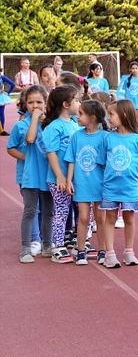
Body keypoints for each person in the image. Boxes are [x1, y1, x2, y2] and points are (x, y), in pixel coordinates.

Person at [100, 100, 138, 268]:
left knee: (129, 218)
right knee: (110, 218)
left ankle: (129, 251)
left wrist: (132, 176)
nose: (109, 118)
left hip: (129, 187)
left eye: (112, 115)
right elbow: (102, 161)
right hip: (110, 187)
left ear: (123, 115)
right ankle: (109, 253)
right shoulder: (108, 138)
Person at [7, 85, 54, 263]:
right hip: (30, 177)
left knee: (48, 211)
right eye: (31, 102)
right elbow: (27, 140)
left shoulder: (50, 124)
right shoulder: (21, 125)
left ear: (46, 103)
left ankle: (47, 244)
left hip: (48, 176)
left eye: (39, 102)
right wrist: (26, 157)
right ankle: (26, 247)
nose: (35, 105)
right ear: (25, 104)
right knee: (30, 211)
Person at [64, 100, 108, 265]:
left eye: (81, 113)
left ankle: (102, 250)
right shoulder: (77, 136)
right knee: (82, 218)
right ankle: (81, 250)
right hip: (81, 183)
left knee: (100, 218)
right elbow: (71, 160)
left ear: (93, 117)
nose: (78, 116)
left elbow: (107, 162)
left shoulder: (105, 137)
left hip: (99, 184)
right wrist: (69, 181)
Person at [42, 85, 81, 264]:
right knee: (62, 211)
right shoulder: (54, 127)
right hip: (59, 179)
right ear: (66, 104)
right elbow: (51, 152)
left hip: (75, 178)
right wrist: (60, 176)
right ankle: (57, 246)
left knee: (75, 210)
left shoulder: (74, 125)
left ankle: (71, 241)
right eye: (77, 100)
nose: (79, 103)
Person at [0, 67, 16, 135]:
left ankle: (2, 130)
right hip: (1, 96)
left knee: (1, 113)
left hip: (1, 96)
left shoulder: (2, 77)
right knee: (1, 113)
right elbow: (13, 84)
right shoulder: (2, 77)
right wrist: (8, 92)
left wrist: (7, 93)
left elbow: (13, 84)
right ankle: (2, 130)